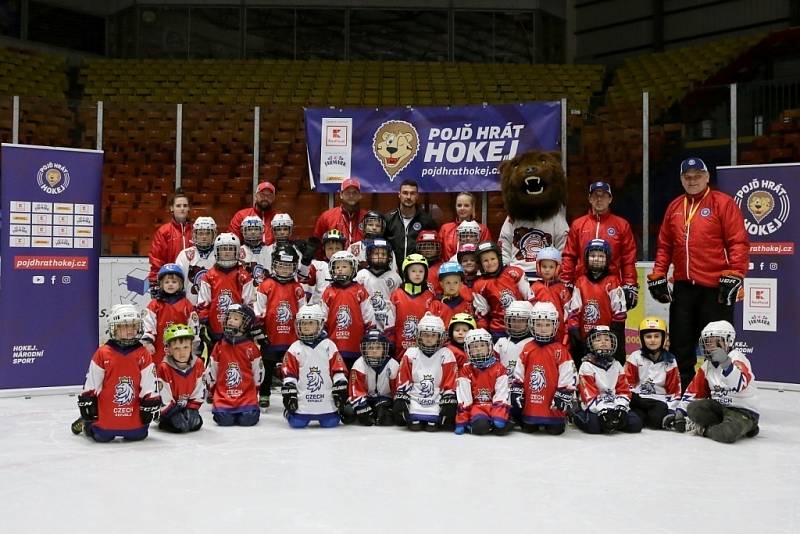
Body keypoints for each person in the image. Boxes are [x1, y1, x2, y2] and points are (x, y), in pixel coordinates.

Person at [648, 157, 749, 389]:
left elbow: (738, 242)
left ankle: (720, 387)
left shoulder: (722, 203)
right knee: (681, 341)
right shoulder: (674, 206)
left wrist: (735, 273)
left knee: (716, 342)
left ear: (707, 177)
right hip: (684, 287)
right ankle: (684, 387)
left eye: (697, 176)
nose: (692, 180)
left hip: (716, 287)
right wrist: (658, 273)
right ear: (682, 180)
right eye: (687, 177)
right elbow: (665, 246)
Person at [74, 304, 160, 442]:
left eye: (133, 325)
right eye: (124, 326)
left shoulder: (143, 353)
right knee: (101, 436)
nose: (130, 330)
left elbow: (149, 382)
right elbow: (92, 380)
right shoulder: (103, 353)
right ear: (115, 328)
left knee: (138, 435)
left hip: (133, 414)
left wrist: (151, 401)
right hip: (107, 412)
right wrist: (88, 400)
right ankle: (86, 424)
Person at [665, 320, 759, 443]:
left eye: (716, 341)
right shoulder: (707, 365)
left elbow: (738, 385)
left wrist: (726, 363)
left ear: (728, 341)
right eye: (707, 342)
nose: (711, 346)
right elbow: (694, 391)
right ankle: (738, 427)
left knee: (727, 434)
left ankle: (703, 430)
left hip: (741, 410)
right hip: (719, 407)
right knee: (694, 408)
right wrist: (679, 413)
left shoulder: (738, 358)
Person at [560, 181, 639, 310]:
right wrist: (566, 283)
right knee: (581, 325)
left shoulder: (621, 225)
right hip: (582, 286)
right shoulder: (578, 225)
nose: (599, 199)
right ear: (589, 199)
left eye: (603, 196)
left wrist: (630, 284)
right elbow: (569, 256)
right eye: (595, 195)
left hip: (612, 286)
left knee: (614, 325)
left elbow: (628, 258)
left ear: (610, 199)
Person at [252, 244, 307, 409]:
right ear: (274, 265)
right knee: (267, 368)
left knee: (292, 368)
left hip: (291, 338)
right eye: (281, 265)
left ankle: (293, 393)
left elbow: (303, 312)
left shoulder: (297, 288)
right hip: (271, 336)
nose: (284, 269)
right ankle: (264, 393)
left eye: (288, 266)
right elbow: (259, 310)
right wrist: (260, 332)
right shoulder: (265, 285)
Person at [511, 302, 576, 435]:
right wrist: (517, 388)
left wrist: (564, 392)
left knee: (555, 430)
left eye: (547, 324)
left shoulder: (560, 350)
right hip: (531, 405)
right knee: (528, 428)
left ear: (555, 326)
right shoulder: (528, 347)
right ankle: (531, 417)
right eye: (539, 324)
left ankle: (554, 418)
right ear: (532, 325)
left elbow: (568, 373)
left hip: (552, 404)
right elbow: (519, 371)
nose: (543, 328)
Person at [281, 304, 348, 429]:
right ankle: (289, 413)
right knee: (297, 423)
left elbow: (338, 370)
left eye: (310, 323)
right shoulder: (295, 347)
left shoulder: (329, 345)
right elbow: (289, 374)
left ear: (320, 324)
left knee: (331, 423)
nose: (306, 326)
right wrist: (290, 393)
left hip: (326, 402)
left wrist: (340, 387)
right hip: (303, 402)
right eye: (303, 323)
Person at [566, 239, 627, 368]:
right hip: (585, 338)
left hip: (607, 340)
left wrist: (613, 336)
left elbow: (620, 313)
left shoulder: (613, 282)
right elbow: (574, 311)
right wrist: (574, 330)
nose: (596, 259)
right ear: (586, 258)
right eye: (593, 256)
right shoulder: (580, 282)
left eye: (601, 256)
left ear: (607, 259)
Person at [393, 313, 457, 431]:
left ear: (440, 336)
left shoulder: (446, 354)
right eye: (425, 334)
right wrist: (401, 397)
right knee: (414, 426)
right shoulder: (411, 353)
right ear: (419, 335)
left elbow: (450, 379)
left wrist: (449, 400)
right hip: (415, 398)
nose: (429, 338)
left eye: (433, 335)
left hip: (436, 399)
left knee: (432, 427)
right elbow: (403, 377)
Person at [574, 325, 642, 435]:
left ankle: (612, 422)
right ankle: (576, 414)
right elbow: (589, 395)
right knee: (594, 426)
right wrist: (602, 410)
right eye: (598, 339)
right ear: (591, 344)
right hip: (595, 407)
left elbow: (624, 390)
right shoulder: (586, 366)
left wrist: (621, 407)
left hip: (614, 404)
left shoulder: (617, 365)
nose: (603, 342)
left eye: (607, 339)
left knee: (635, 423)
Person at [204, 304, 264, 426]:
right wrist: (212, 390)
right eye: (229, 318)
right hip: (223, 396)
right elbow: (212, 369)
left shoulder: (251, 348)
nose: (231, 321)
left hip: (246, 396)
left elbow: (258, 371)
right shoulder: (219, 346)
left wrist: (255, 390)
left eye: (236, 319)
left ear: (246, 324)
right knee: (224, 420)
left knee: (248, 420)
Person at [196, 233, 256, 354]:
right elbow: (203, 303)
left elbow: (249, 304)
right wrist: (205, 324)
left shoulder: (244, 275)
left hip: (238, 331)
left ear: (237, 251)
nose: (227, 252)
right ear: (217, 251)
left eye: (231, 249)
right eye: (223, 249)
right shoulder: (209, 276)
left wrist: (245, 328)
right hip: (215, 329)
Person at [623, 316, 681, 430]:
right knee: (634, 421)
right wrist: (635, 400)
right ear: (641, 338)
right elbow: (626, 384)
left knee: (656, 421)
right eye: (648, 337)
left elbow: (674, 390)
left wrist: (670, 410)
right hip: (639, 400)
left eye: (657, 336)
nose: (653, 340)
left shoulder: (670, 360)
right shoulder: (635, 357)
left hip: (658, 401)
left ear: (663, 338)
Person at [320, 250, 375, 366]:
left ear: (353, 268)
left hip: (355, 346)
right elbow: (322, 317)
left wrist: (369, 333)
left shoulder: (360, 291)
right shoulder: (328, 292)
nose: (340, 269)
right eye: (337, 267)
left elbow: (368, 317)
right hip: (333, 346)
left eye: (344, 266)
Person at [141, 263, 200, 365]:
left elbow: (193, 325)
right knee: (160, 374)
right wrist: (148, 342)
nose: (170, 284)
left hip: (181, 349)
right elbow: (148, 323)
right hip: (159, 349)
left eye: (174, 281)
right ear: (161, 284)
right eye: (167, 282)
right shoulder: (155, 305)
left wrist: (193, 343)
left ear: (180, 284)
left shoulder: (186, 304)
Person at [455, 328, 510, 436]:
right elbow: (464, 398)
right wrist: (462, 421)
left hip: (494, 406)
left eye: (482, 345)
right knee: (481, 427)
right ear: (468, 349)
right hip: (477, 408)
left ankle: (497, 420)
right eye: (474, 346)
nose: (478, 349)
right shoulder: (466, 370)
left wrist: (498, 413)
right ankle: (475, 425)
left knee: (500, 426)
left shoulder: (499, 368)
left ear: (489, 346)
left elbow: (501, 394)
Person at [472, 241, 531, 340]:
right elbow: (483, 314)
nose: (490, 263)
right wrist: (484, 334)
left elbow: (529, 299)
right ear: (480, 264)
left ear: (499, 258)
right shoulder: (479, 285)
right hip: (499, 330)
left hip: (521, 325)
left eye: (493, 259)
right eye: (485, 260)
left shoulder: (514, 273)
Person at [341, 329, 399, 426]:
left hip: (383, 399)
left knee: (385, 418)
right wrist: (362, 407)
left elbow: (395, 390)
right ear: (364, 349)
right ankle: (372, 413)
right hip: (365, 399)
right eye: (370, 347)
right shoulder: (359, 364)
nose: (374, 351)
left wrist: (395, 405)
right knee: (348, 413)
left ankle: (378, 413)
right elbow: (355, 391)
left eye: (378, 347)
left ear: (384, 349)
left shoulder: (392, 365)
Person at [156, 323, 205, 433]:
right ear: (168, 349)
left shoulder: (198, 363)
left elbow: (200, 388)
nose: (182, 352)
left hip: (187, 405)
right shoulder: (164, 367)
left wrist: (192, 408)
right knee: (178, 427)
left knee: (196, 424)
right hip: (169, 409)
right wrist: (172, 413)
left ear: (192, 347)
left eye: (185, 347)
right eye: (176, 348)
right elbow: (163, 395)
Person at [388, 254, 436, 361]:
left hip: (423, 349)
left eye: (421, 271)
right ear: (406, 272)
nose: (417, 274)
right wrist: (391, 340)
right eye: (413, 271)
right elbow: (390, 321)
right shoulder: (396, 294)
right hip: (399, 348)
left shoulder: (430, 295)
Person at [384, 179, 438, 272]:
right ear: (399, 194)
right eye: (405, 193)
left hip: (417, 274)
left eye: (412, 193)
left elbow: (434, 249)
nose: (408, 197)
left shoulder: (427, 221)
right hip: (392, 273)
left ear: (417, 196)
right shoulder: (388, 219)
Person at [148, 189, 192, 292]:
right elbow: (156, 259)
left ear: (189, 208)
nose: (182, 209)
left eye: (185, 206)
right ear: (172, 208)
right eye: (178, 206)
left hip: (192, 284)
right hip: (171, 284)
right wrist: (155, 282)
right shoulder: (164, 231)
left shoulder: (196, 230)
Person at [354, 238, 402, 332]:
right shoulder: (361, 275)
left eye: (383, 254)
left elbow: (398, 302)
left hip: (388, 321)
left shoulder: (395, 277)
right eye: (376, 254)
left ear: (389, 257)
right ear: (369, 255)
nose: (380, 256)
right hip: (366, 319)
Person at [529, 246, 570, 344]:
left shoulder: (562, 289)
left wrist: (566, 332)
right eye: (544, 266)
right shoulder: (534, 287)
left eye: (551, 267)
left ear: (557, 268)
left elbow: (568, 313)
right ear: (539, 267)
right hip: (538, 329)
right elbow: (529, 308)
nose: (547, 270)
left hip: (558, 332)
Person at [313, 177, 367, 249]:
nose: (351, 196)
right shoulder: (327, 217)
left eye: (355, 192)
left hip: (361, 260)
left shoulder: (367, 217)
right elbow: (317, 243)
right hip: (334, 259)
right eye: (347, 192)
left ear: (360, 195)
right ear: (341, 194)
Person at [175, 216, 217, 305]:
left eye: (208, 233)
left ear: (214, 234)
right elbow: (179, 283)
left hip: (213, 306)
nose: (204, 237)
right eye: (200, 233)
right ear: (195, 234)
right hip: (190, 306)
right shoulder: (185, 255)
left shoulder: (220, 254)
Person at [430, 262, 485, 329]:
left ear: (461, 284)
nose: (451, 286)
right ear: (441, 284)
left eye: (455, 282)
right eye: (448, 282)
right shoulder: (436, 305)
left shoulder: (467, 306)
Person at [440, 192, 492, 260]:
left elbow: (486, 253)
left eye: (466, 205)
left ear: (472, 207)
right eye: (459, 205)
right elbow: (440, 254)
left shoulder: (482, 229)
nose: (462, 208)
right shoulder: (445, 229)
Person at [299, 228, 346, 304]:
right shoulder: (317, 266)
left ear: (343, 249)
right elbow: (303, 279)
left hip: (339, 308)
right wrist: (305, 261)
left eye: (337, 248)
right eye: (330, 248)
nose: (334, 251)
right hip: (318, 311)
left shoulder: (349, 267)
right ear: (324, 249)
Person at [229, 181, 277, 245]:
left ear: (273, 198)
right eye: (262, 194)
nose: (265, 198)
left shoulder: (278, 217)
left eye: (269, 195)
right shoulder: (241, 215)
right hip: (248, 254)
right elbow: (232, 241)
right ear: (256, 196)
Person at [238, 215, 271, 286]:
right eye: (249, 229)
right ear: (243, 231)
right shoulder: (238, 251)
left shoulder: (270, 250)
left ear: (262, 230)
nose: (253, 232)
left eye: (256, 229)